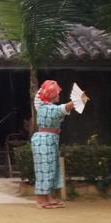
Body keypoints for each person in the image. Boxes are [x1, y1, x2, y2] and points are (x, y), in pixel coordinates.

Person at [31, 80, 80, 209]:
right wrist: (79, 99)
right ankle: (41, 199)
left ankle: (48, 197)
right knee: (45, 168)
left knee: (51, 168)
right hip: (45, 140)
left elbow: (63, 108)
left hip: (49, 139)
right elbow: (65, 107)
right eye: (57, 92)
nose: (59, 94)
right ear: (52, 94)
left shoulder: (44, 107)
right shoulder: (49, 108)